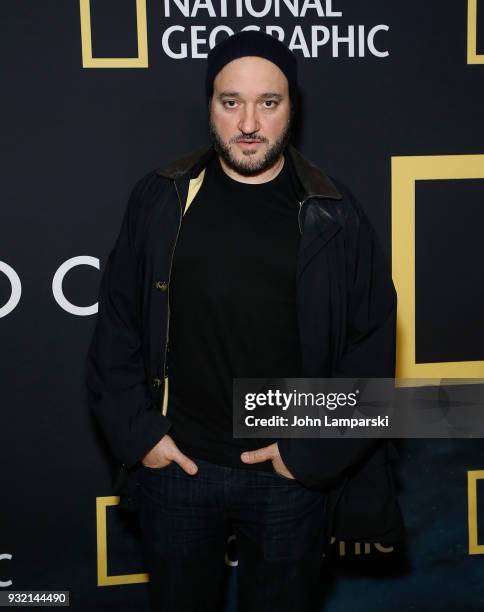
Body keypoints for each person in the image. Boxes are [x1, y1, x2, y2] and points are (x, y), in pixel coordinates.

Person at [85, 30, 405, 612]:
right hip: (178, 469)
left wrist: (305, 454)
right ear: (210, 105)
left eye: (268, 102)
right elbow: (117, 329)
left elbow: (370, 347)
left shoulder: (334, 212)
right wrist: (144, 438)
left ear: (291, 109)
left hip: (288, 478)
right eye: (231, 102)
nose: (249, 123)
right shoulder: (159, 200)